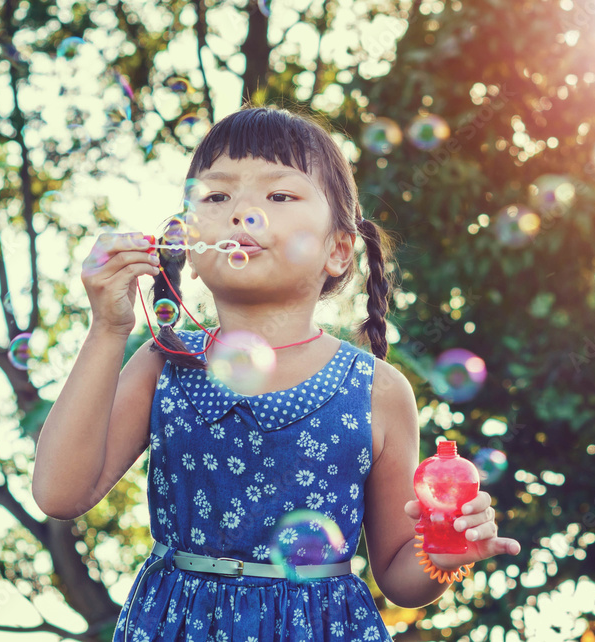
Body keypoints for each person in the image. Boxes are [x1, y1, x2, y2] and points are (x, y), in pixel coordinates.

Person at [31, 105, 521, 640]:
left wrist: (444, 553)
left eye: (279, 195)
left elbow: (402, 577)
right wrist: (107, 327)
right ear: (190, 251)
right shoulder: (165, 360)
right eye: (216, 197)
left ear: (337, 250)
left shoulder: (376, 389)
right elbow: (60, 494)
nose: (242, 209)